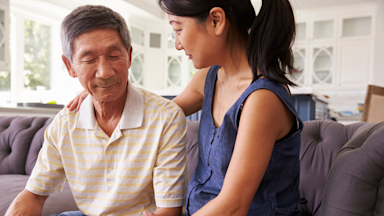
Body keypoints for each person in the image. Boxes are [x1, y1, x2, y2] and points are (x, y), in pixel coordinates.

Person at [67, 0, 304, 215]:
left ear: (216, 21)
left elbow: (234, 206)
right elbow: (156, 115)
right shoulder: (209, 78)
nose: (178, 44)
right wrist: (102, 91)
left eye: (178, 29)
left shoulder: (262, 98)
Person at [5, 5, 187, 216]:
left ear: (129, 56)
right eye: (89, 60)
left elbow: (169, 210)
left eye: (113, 55)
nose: (104, 72)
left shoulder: (167, 118)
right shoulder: (64, 124)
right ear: (70, 66)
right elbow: (33, 196)